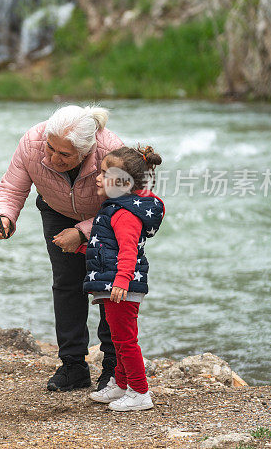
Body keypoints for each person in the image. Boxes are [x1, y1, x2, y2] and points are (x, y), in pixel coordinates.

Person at [0, 105, 123, 392]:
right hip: (56, 210)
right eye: (50, 149)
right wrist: (6, 218)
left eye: (65, 154)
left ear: (87, 152)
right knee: (66, 284)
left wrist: (83, 232)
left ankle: (113, 366)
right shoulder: (32, 142)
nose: (52, 158)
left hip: (109, 218)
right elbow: (12, 189)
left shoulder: (112, 151)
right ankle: (73, 366)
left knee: (109, 289)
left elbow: (126, 207)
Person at [82, 145, 164, 411]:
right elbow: (108, 247)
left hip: (121, 286)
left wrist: (121, 281)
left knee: (126, 340)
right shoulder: (114, 208)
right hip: (114, 283)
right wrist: (81, 247)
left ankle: (140, 392)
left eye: (104, 172)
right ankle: (120, 384)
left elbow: (128, 251)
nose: (97, 176)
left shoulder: (126, 214)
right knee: (117, 339)